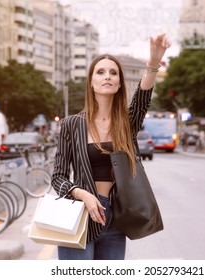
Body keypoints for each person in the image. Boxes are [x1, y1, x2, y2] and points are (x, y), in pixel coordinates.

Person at [51, 33, 171, 260]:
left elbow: (142, 98)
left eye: (113, 73)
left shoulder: (126, 124)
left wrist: (154, 62)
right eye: (101, 72)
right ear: (91, 82)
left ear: (118, 84)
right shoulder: (71, 125)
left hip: (115, 220)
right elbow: (58, 177)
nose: (107, 76)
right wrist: (81, 194)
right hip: (78, 217)